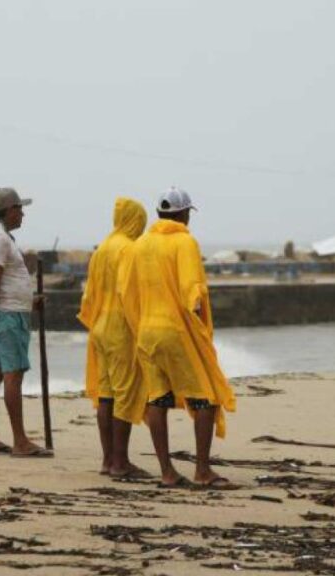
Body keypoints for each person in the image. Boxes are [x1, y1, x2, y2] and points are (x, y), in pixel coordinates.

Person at [120, 187, 236, 488]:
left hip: (147, 330)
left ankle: (167, 472)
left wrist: (139, 326)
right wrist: (200, 333)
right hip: (177, 330)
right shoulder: (185, 242)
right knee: (206, 399)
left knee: (157, 399)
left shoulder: (141, 244)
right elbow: (193, 292)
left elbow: (127, 291)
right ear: (184, 214)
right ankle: (202, 471)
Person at [0, 187, 52, 457]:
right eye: (19, 208)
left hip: (5, 311)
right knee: (12, 376)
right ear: (8, 211)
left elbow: (4, 282)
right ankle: (20, 441)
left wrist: (30, 301)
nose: (23, 214)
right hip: (8, 316)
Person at [77, 197, 149, 478]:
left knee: (105, 395)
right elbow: (129, 293)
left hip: (100, 327)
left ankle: (108, 460)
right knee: (124, 394)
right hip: (121, 328)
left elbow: (89, 294)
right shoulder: (128, 249)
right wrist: (140, 328)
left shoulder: (102, 248)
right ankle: (121, 462)